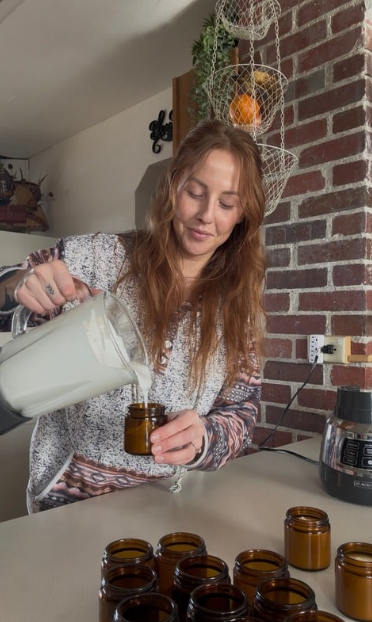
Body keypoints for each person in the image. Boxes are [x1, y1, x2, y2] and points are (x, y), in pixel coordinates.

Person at [0, 118, 266, 513]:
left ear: (243, 213)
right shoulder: (93, 259)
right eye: (195, 192)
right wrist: (16, 286)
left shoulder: (238, 306)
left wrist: (206, 438)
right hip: (69, 505)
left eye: (227, 203)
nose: (206, 216)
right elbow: (8, 302)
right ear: (173, 184)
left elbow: (242, 409)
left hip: (170, 502)